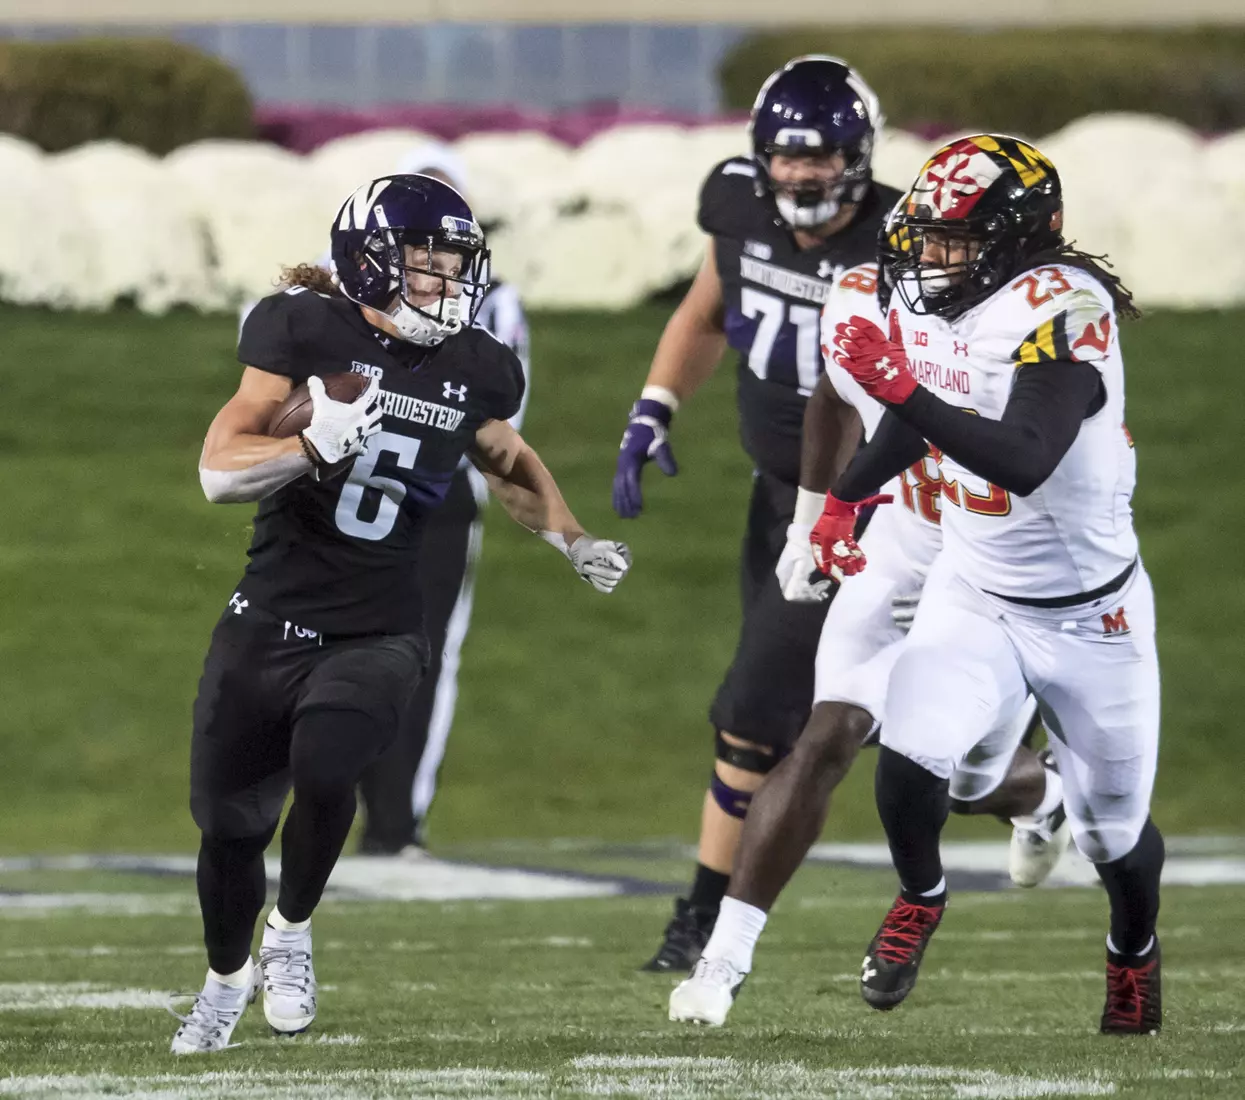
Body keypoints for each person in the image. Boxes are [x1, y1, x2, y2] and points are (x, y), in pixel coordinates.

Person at [171, 174, 631, 1054]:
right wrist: (310, 445)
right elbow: (218, 468)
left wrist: (569, 537)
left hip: (381, 624)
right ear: (372, 262)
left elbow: (505, 456)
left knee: (331, 759)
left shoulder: (479, 364)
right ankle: (225, 982)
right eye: (428, 265)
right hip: (268, 615)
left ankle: (293, 934)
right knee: (228, 826)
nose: (448, 284)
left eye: (458, 266)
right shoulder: (302, 328)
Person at [667, 253, 1068, 1027]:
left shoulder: (1026, 328)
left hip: (999, 557)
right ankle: (723, 960)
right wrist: (813, 512)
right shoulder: (861, 291)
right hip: (909, 539)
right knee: (827, 733)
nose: (935, 270)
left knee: (956, 780)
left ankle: (1045, 793)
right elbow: (835, 394)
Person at [824, 135, 1162, 1034]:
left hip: (1093, 613)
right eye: (925, 238)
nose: (932, 259)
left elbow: (1020, 457)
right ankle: (919, 897)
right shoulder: (947, 304)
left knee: (1113, 838)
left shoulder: (1064, 306)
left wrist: (901, 387)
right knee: (907, 753)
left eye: (954, 242)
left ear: (1020, 239)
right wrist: (842, 499)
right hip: (974, 586)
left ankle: (1131, 953)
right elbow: (918, 420)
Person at [612, 55, 902, 973]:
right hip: (774, 498)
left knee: (756, 713)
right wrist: (655, 404)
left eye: (822, 158)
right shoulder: (736, 206)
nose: (802, 175)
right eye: (786, 157)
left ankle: (706, 922)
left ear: (859, 156)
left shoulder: (904, 242)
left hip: (865, 511)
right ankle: (1032, 783)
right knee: (771, 724)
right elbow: (706, 311)